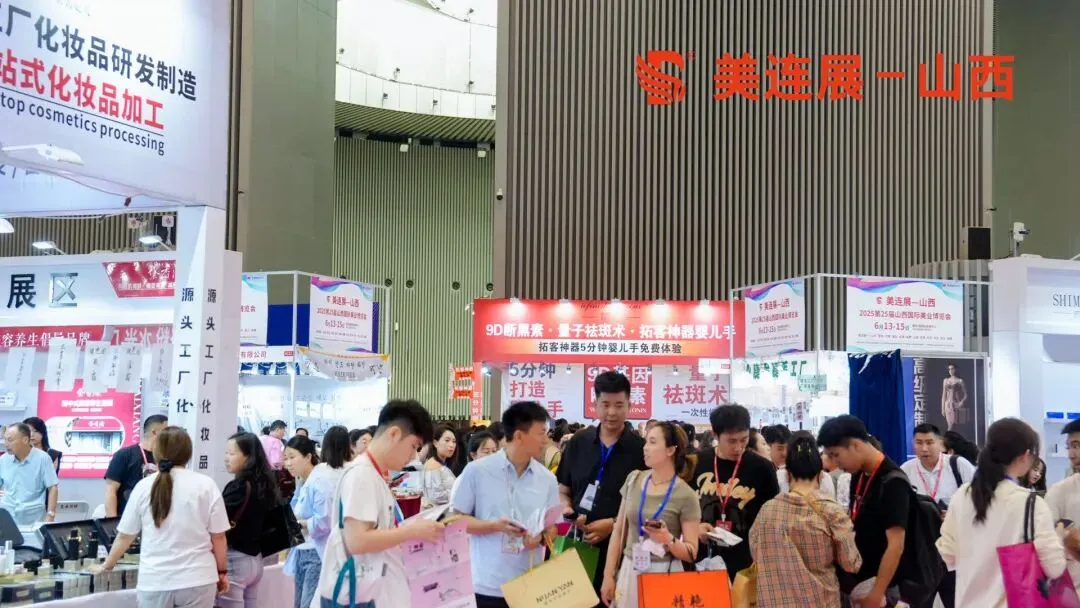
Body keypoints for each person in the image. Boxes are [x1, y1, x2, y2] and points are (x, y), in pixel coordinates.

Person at [313, 400, 443, 607]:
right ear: (394, 434)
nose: (413, 456)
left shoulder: (371, 473)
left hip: (368, 590)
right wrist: (412, 531)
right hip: (358, 595)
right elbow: (357, 541)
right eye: (413, 446)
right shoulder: (362, 475)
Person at [91, 427, 230, 606]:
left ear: (156, 452)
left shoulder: (143, 487)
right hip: (199, 578)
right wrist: (222, 572)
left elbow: (125, 536)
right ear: (188, 453)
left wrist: (107, 565)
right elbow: (219, 537)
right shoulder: (206, 485)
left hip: (155, 581)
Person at [937, 418, 1067, 606]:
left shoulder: (962, 496)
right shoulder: (1030, 503)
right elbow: (1054, 568)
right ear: (1025, 455)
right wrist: (1059, 538)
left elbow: (947, 553)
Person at [451, 401, 560, 608]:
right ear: (519, 436)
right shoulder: (477, 471)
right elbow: (455, 521)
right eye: (541, 433)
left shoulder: (547, 479)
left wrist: (540, 537)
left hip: (530, 584)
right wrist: (493, 526)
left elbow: (553, 527)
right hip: (487, 585)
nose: (546, 440)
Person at [557, 371, 646, 596]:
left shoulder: (640, 450)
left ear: (629, 406)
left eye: (619, 405)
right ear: (595, 405)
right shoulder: (578, 443)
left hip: (620, 550)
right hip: (576, 542)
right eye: (605, 404)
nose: (612, 412)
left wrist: (614, 524)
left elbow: (646, 506)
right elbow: (563, 490)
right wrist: (568, 512)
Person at [750, 432, 862, 607]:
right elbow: (851, 564)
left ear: (787, 475)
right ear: (821, 475)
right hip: (820, 601)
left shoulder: (767, 510)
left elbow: (755, 553)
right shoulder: (832, 512)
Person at [600, 422, 701, 608]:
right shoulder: (634, 479)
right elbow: (618, 530)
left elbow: (691, 553)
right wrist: (608, 575)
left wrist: (668, 539)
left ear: (670, 450)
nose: (645, 447)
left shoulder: (686, 495)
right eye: (646, 441)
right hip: (630, 568)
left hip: (664, 574)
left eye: (652, 442)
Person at [818, 415, 908, 608]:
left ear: (856, 445)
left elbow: (896, 545)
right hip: (860, 581)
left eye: (836, 455)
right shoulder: (858, 475)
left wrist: (877, 593)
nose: (834, 462)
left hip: (883, 587)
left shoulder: (893, 482)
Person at [689, 405, 779, 581]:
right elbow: (684, 510)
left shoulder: (762, 468)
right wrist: (695, 528)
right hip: (704, 559)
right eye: (731, 441)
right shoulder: (697, 463)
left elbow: (772, 516)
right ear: (715, 435)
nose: (738, 447)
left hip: (746, 563)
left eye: (743, 440)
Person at [286, 427, 350, 608]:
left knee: (309, 603)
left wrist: (302, 524)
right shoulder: (306, 479)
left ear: (308, 457)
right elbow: (296, 509)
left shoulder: (320, 479)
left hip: (317, 551)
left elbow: (324, 521)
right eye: (285, 458)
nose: (288, 463)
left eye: (292, 457)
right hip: (303, 548)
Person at [220, 432, 281, 608]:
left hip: (235, 559)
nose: (226, 458)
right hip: (256, 559)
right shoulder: (267, 485)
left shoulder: (238, 486)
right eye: (226, 453)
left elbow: (219, 523)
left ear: (248, 457)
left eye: (232, 453)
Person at [104, 414, 168, 518]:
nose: (170, 435)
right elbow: (111, 490)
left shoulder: (166, 457)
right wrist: (112, 522)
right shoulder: (124, 455)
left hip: (155, 519)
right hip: (127, 518)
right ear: (155, 432)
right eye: (166, 431)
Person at [901, 423, 976, 510]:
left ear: (940, 444)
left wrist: (954, 513)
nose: (924, 449)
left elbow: (979, 497)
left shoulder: (958, 464)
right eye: (919, 443)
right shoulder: (906, 470)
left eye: (929, 443)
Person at [0, 423, 59, 525]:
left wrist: (50, 516)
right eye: (5, 439)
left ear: (25, 440)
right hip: (7, 517)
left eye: (10, 440)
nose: (6, 444)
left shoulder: (43, 459)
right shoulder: (3, 460)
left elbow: (53, 488)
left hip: (33, 519)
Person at [767, 424, 835, 499]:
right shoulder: (825, 477)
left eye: (787, 448)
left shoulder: (780, 475)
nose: (785, 453)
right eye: (780, 448)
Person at [421, 424, 458, 508]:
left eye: (454, 441)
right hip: (438, 514)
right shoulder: (433, 465)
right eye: (447, 440)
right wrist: (459, 491)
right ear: (435, 443)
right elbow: (436, 497)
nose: (451, 445)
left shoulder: (440, 463)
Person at [941, 364, 967, 431]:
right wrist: (942, 408)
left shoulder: (960, 381)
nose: (950, 370)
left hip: (955, 404)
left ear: (955, 369)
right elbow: (944, 395)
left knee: (952, 425)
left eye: (952, 369)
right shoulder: (945, 380)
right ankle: (948, 436)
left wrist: (961, 402)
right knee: (949, 425)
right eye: (949, 369)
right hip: (947, 405)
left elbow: (965, 395)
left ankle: (948, 436)